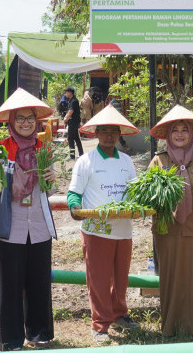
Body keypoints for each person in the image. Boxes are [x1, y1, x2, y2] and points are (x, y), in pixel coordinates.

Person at [0, 88, 57, 350]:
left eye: (30, 118)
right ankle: (11, 340)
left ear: (37, 121)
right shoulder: (0, 150)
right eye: (20, 118)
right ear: (11, 121)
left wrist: (51, 180)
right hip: (10, 227)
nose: (26, 123)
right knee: (11, 285)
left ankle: (40, 334)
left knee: (39, 282)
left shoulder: (44, 148)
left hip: (38, 226)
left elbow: (52, 189)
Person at [67, 105, 140, 343]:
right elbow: (74, 193)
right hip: (96, 230)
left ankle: (119, 313)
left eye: (113, 132)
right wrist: (75, 207)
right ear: (96, 134)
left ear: (119, 134)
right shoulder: (86, 161)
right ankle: (100, 324)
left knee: (121, 277)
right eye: (104, 131)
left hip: (123, 229)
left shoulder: (127, 162)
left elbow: (134, 191)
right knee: (98, 279)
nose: (109, 136)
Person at [148, 105, 193, 336]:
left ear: (191, 133)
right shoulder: (159, 160)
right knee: (170, 276)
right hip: (167, 228)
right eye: (175, 130)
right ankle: (171, 327)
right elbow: (148, 194)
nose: (179, 134)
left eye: (184, 130)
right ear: (168, 134)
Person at [63, 87, 83, 159]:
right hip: (74, 121)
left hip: (73, 122)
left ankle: (72, 156)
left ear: (70, 93)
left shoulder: (74, 101)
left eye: (66, 92)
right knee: (76, 138)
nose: (65, 94)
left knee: (70, 138)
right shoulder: (71, 100)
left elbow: (70, 112)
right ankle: (81, 154)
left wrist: (65, 119)